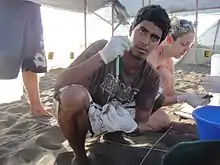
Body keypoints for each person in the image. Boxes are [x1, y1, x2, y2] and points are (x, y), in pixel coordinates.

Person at [54, 5, 171, 165]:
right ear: (131, 29)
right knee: (72, 96)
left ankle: (114, 135)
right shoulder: (103, 47)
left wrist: (131, 127)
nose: (145, 42)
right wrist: (102, 57)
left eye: (154, 38)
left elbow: (143, 122)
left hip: (115, 117)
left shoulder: (150, 76)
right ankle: (80, 156)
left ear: (159, 43)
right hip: (86, 113)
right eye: (142, 31)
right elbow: (59, 83)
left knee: (160, 96)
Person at [146, 18, 211, 124]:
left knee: (163, 121)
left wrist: (192, 96)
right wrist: (184, 98)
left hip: (147, 103)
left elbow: (170, 94)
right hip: (130, 103)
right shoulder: (152, 55)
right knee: (162, 122)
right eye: (184, 44)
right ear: (168, 40)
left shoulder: (169, 61)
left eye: (189, 45)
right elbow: (150, 97)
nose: (187, 50)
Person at [1, 1, 50, 116]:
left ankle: (36, 106)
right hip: (6, 6)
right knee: (4, 53)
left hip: (31, 5)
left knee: (32, 56)